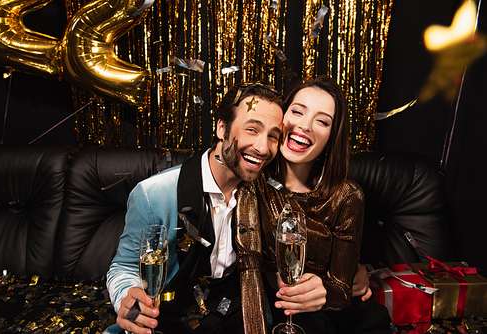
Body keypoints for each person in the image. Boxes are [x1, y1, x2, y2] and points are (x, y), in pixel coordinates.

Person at [106, 81, 285, 334]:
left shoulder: (266, 194)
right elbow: (123, 268)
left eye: (273, 136)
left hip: (237, 312)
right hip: (171, 315)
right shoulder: (153, 194)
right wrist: (131, 302)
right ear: (222, 128)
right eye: (252, 129)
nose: (264, 147)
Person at [236, 75, 391, 334]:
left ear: (332, 138)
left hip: (338, 321)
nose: (305, 126)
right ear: (281, 118)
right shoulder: (251, 178)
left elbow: (343, 290)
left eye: (322, 121)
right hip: (273, 312)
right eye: (297, 111)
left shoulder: (347, 195)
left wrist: (325, 291)